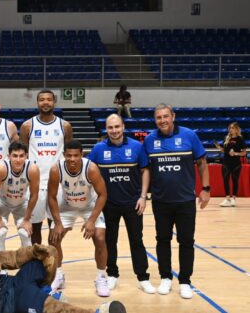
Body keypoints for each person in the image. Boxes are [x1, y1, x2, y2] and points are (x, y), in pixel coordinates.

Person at [143, 103, 210, 299]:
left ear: (173, 116)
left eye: (166, 116)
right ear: (155, 120)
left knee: (186, 241)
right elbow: (145, 170)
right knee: (162, 240)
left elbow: (202, 163)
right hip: (161, 201)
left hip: (185, 200)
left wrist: (205, 189)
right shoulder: (149, 140)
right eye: (158, 117)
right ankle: (165, 277)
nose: (162, 120)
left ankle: (185, 281)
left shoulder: (189, 135)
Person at [88, 114, 156, 294]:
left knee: (137, 241)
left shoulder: (136, 146)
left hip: (133, 203)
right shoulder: (98, 149)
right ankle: (112, 275)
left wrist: (143, 196)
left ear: (123, 126)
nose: (114, 131)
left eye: (117, 127)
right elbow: (89, 174)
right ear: (106, 129)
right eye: (110, 127)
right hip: (108, 204)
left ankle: (143, 278)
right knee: (110, 241)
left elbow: (145, 171)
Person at [47, 140, 110, 297]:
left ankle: (101, 277)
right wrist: (58, 223)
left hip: (90, 206)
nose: (72, 159)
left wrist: (91, 221)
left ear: (82, 155)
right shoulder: (56, 169)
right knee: (53, 239)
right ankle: (59, 275)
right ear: (64, 155)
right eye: (69, 156)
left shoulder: (91, 169)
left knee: (100, 237)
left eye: (76, 155)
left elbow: (103, 195)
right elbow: (52, 197)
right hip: (67, 206)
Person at [20, 89, 73, 245]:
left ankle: (53, 266)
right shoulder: (27, 126)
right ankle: (37, 264)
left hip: (57, 184)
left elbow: (70, 154)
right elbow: (22, 156)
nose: (45, 102)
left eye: (48, 99)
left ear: (54, 102)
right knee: (34, 228)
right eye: (42, 99)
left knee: (55, 227)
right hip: (35, 184)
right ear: (37, 102)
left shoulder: (65, 126)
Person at [0, 141, 39, 251]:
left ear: (26, 156)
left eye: (21, 156)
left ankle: (27, 266)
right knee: (0, 233)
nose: (18, 160)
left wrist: (26, 219)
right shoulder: (0, 168)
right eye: (15, 156)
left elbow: (34, 195)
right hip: (3, 202)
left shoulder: (32, 169)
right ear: (9, 156)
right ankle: (0, 266)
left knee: (25, 233)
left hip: (21, 203)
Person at [214, 122, 247, 207]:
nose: (230, 130)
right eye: (230, 128)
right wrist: (219, 148)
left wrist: (235, 153)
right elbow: (224, 151)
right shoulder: (226, 138)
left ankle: (234, 199)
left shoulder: (240, 139)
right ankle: (227, 198)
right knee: (225, 180)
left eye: (232, 128)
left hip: (236, 163)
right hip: (226, 162)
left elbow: (244, 153)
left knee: (235, 180)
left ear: (236, 129)